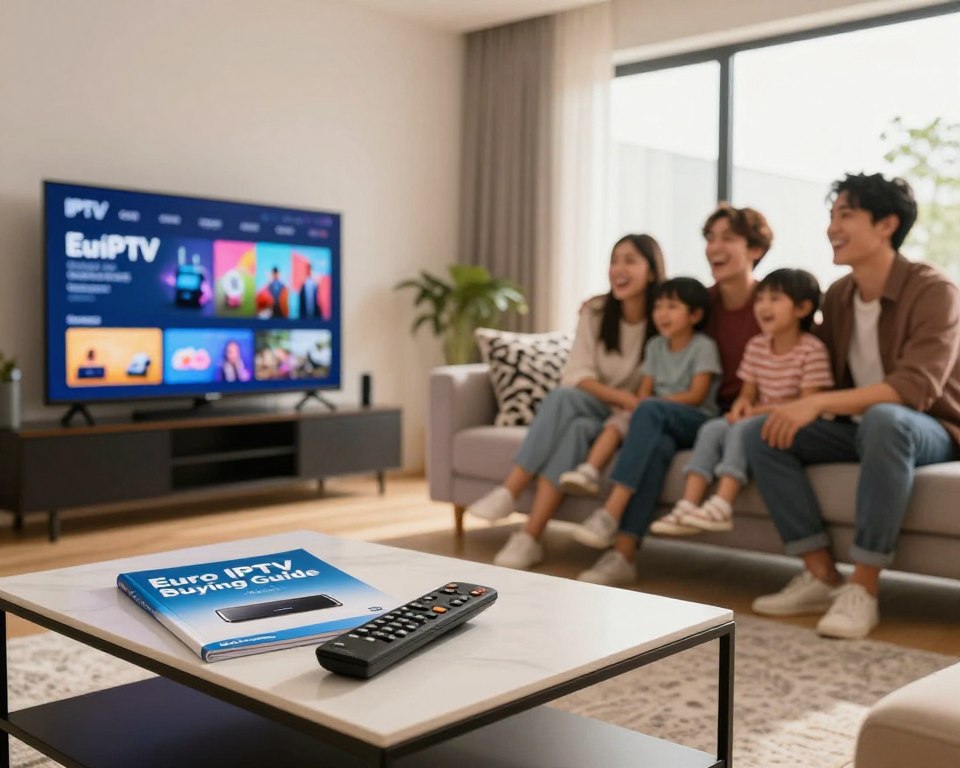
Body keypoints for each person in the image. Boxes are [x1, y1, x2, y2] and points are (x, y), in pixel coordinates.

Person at [743, 172, 960, 639]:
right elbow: (812, 367)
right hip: (860, 428)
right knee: (759, 433)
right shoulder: (840, 295)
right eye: (830, 215)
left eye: (846, 215)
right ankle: (821, 575)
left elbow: (914, 389)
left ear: (887, 224)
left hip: (931, 429)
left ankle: (863, 587)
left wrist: (817, 402)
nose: (831, 227)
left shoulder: (933, 289)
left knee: (886, 419)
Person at [575, 204, 773, 586]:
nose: (714, 247)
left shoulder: (771, 302)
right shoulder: (703, 301)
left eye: (727, 238)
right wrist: (597, 306)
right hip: (693, 417)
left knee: (653, 425)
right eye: (709, 238)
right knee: (657, 440)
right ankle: (623, 554)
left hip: (736, 415)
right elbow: (654, 306)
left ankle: (613, 517)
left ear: (755, 249)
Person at [465, 234, 666, 570]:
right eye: (614, 260)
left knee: (572, 422)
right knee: (565, 402)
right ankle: (520, 515)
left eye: (630, 260)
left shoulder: (665, 317)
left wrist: (633, 405)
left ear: (652, 270)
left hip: (636, 417)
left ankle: (525, 522)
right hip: (602, 404)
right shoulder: (598, 311)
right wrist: (622, 398)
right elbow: (576, 374)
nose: (619, 268)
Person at [650, 268, 833, 535]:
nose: (763, 306)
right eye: (760, 299)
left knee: (743, 429)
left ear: (803, 308)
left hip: (790, 419)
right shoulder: (757, 345)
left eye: (775, 299)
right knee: (713, 428)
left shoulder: (811, 349)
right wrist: (742, 406)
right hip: (757, 413)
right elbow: (748, 392)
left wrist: (754, 412)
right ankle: (687, 504)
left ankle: (722, 504)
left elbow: (807, 403)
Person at [569, 277, 721, 548]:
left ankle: (610, 511)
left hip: (696, 420)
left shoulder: (703, 346)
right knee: (657, 446)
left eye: (672, 306)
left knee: (649, 409)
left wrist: (654, 404)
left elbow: (697, 396)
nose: (662, 313)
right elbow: (645, 391)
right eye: (658, 306)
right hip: (661, 422)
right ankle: (624, 551)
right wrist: (646, 404)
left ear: (695, 315)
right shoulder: (654, 346)